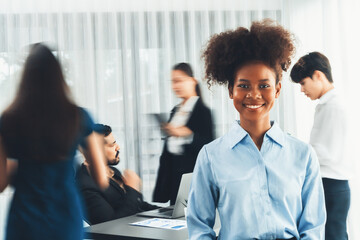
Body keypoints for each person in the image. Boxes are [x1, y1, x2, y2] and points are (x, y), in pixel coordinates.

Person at [187, 19, 326, 239]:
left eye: (264, 85)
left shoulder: (303, 155)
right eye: (243, 85)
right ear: (231, 90)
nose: (254, 95)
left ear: (277, 90)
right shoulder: (211, 157)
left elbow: (313, 228)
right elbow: (199, 228)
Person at [0, 43, 108, 240]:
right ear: (58, 76)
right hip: (64, 218)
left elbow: (1, 183)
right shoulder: (78, 116)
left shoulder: (8, 119)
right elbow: (101, 178)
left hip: (24, 220)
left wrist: (26, 170)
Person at [290, 52, 351, 240]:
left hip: (331, 185)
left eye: (302, 83)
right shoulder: (328, 104)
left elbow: (325, 152)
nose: (302, 90)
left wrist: (293, 149)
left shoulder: (333, 106)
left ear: (317, 75)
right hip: (331, 184)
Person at [153, 62, 214, 205]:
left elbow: (209, 147)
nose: (175, 86)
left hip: (192, 175)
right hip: (173, 176)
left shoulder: (203, 112)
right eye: (173, 82)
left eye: (179, 81)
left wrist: (187, 135)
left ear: (192, 81)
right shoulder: (175, 110)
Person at [76, 124, 158, 224]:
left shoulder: (114, 171)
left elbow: (138, 205)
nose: (118, 147)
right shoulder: (85, 186)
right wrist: (133, 189)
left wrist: (168, 212)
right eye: (112, 145)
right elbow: (111, 225)